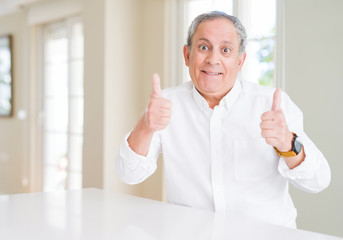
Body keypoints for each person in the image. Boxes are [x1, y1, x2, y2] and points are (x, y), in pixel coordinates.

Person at [116, 11, 331, 228]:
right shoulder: (166, 104)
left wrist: (287, 143)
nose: (213, 59)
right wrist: (145, 126)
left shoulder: (272, 104)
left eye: (225, 50)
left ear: (240, 61)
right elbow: (128, 174)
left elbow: (318, 181)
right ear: (187, 55)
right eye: (203, 47)